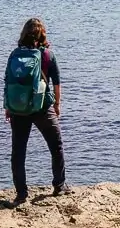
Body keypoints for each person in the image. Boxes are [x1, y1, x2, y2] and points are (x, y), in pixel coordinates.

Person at [5, 18, 72, 205]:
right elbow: (56, 82)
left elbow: (8, 81)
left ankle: (21, 194)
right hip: (42, 107)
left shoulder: (15, 55)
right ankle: (59, 185)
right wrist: (57, 105)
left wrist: (8, 107)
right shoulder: (48, 55)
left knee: (18, 152)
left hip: (19, 108)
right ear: (42, 35)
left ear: (24, 34)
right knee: (56, 146)